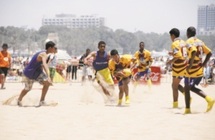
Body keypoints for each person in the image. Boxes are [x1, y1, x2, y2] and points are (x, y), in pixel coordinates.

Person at [184, 26, 215, 114]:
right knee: (191, 87)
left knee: (187, 89)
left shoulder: (188, 41)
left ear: (188, 34)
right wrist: (204, 63)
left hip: (191, 71)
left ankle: (187, 110)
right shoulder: (200, 42)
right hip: (199, 70)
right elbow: (209, 53)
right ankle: (209, 99)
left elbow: (193, 51)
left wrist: (189, 66)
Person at [17, 41, 56, 107]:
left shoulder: (45, 54)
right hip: (29, 72)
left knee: (47, 83)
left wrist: (46, 76)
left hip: (37, 72)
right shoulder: (44, 54)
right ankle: (19, 100)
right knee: (28, 88)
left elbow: (42, 65)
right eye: (54, 47)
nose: (55, 49)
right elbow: (44, 64)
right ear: (50, 48)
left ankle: (42, 101)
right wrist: (48, 76)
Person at [166, 28, 188, 108]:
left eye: (170, 36)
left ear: (173, 35)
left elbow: (178, 56)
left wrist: (170, 62)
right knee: (175, 85)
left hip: (178, 67)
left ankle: (175, 104)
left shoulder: (174, 43)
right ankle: (187, 96)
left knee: (174, 86)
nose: (170, 38)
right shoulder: (183, 42)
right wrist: (172, 53)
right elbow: (182, 54)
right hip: (185, 65)